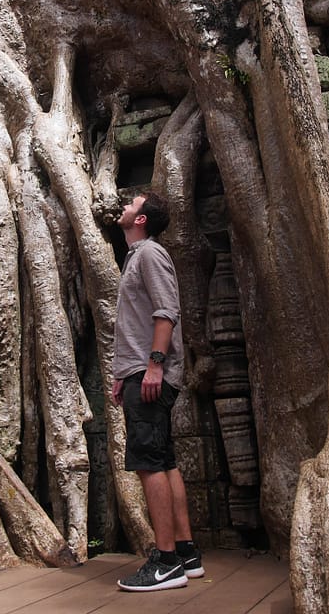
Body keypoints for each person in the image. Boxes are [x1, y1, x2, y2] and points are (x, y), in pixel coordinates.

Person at [111, 191, 204, 592]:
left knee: (148, 462)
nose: (123, 207)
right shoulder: (137, 256)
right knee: (164, 460)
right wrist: (122, 372)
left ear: (142, 218)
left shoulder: (150, 254)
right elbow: (136, 320)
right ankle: (185, 552)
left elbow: (166, 311)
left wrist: (153, 365)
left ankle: (165, 563)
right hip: (138, 372)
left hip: (151, 375)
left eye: (131, 204)